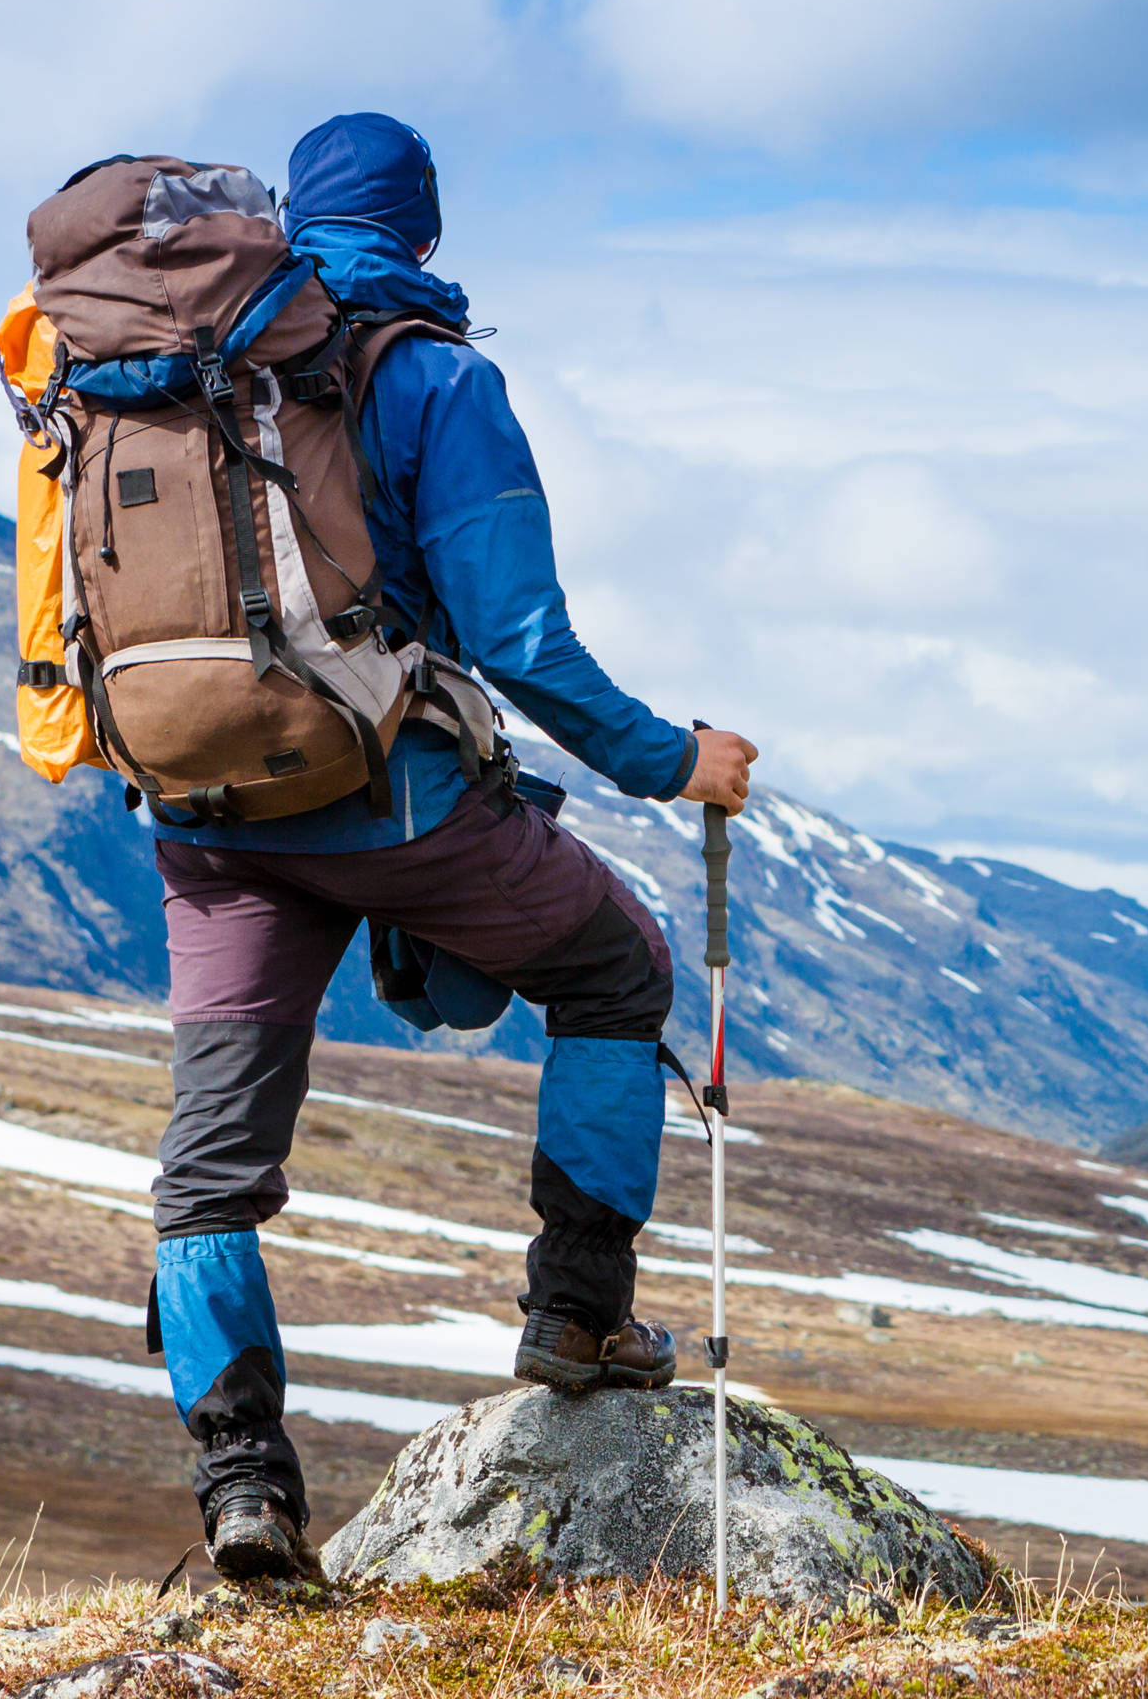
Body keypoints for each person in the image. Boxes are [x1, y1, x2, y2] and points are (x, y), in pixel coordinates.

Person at [142, 112, 756, 1582]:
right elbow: (518, 637)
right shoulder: (429, 372)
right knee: (617, 970)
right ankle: (580, 1314)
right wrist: (673, 760)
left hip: (208, 813)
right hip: (397, 803)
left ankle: (243, 1488)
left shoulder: (165, 375)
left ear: (292, 216)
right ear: (421, 231)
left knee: (209, 1176)